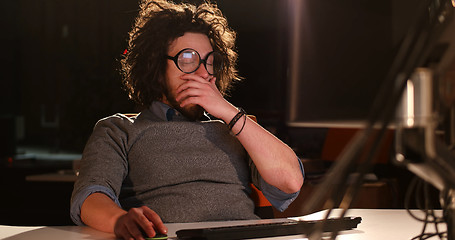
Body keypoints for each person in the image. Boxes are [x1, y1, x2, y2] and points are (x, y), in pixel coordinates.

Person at [70, 0, 304, 239]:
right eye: (188, 59)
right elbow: (90, 196)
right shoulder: (119, 129)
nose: (204, 73)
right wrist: (119, 220)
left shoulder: (236, 128)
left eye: (209, 61)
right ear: (156, 68)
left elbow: (291, 182)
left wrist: (228, 111)